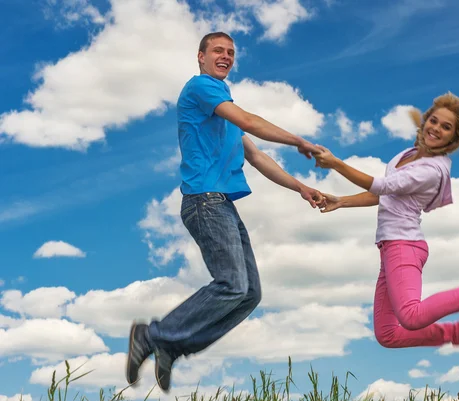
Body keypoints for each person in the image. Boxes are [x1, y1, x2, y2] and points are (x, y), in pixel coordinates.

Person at [126, 31, 325, 392]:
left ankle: (172, 344)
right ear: (200, 57)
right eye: (218, 50)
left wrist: (301, 187)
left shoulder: (223, 111)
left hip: (223, 205)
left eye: (231, 52)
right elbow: (250, 122)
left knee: (249, 293)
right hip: (205, 201)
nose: (226, 56)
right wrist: (299, 140)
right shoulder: (201, 88)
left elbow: (258, 156)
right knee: (233, 284)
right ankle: (151, 334)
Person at [311, 92, 459, 364]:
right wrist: (341, 201)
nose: (437, 128)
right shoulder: (407, 155)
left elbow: (382, 186)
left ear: (452, 139)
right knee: (387, 334)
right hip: (389, 248)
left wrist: (336, 163)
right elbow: (387, 195)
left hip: (404, 246)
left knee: (411, 316)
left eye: (446, 127)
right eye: (434, 121)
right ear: (426, 121)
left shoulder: (431, 169)